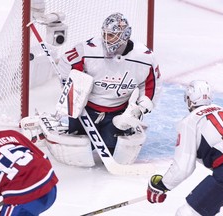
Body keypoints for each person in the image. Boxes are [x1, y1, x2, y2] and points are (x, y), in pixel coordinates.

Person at [55, 12, 162, 164]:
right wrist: (73, 89)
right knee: (77, 156)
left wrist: (139, 109)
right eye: (105, 34)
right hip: (85, 111)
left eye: (111, 35)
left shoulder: (144, 57)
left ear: (125, 35)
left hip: (117, 114)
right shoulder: (88, 49)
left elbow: (151, 85)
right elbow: (66, 63)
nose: (106, 39)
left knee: (116, 154)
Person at [146, 80, 223, 215]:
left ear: (189, 99)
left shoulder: (190, 121)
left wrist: (162, 186)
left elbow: (183, 167)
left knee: (187, 213)